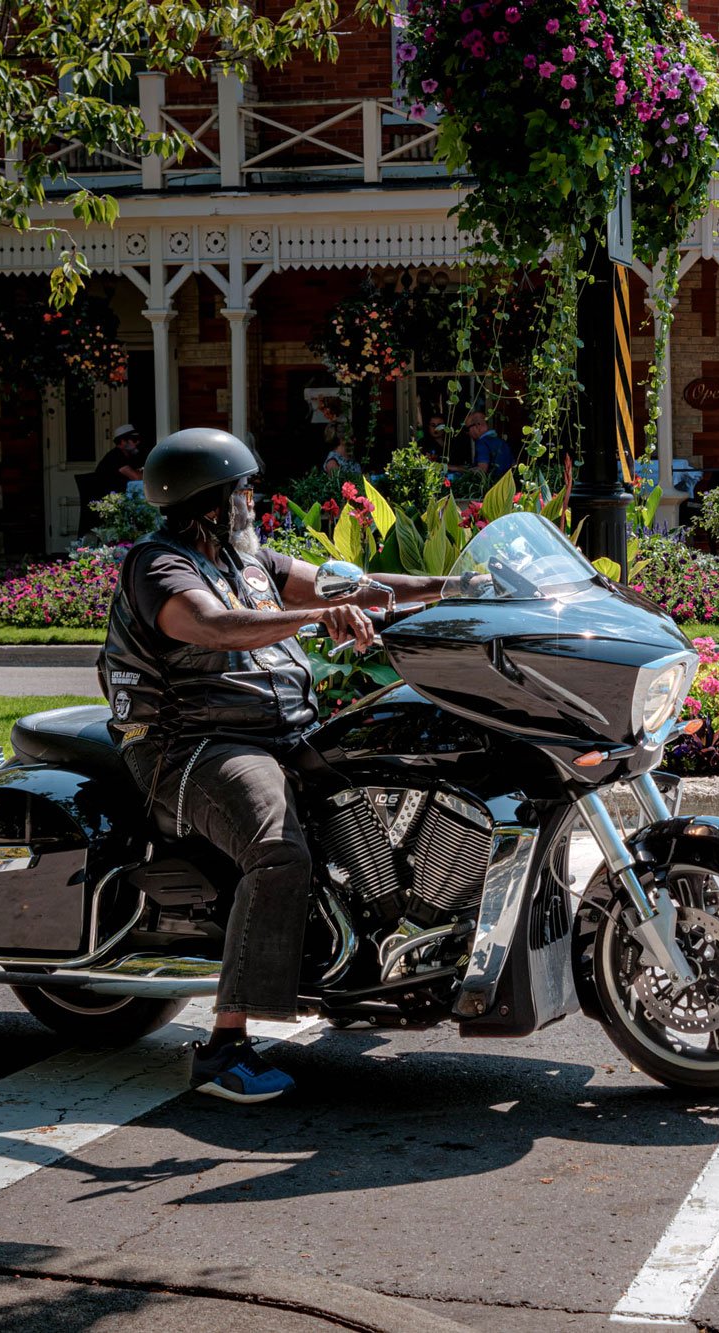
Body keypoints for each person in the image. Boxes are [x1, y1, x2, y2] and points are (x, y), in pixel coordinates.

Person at [99, 427, 469, 1103]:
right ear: (207, 501)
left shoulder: (249, 562)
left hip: (280, 730)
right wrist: (318, 616)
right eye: (241, 491)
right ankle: (225, 1045)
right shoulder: (161, 567)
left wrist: (460, 587)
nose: (252, 501)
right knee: (279, 850)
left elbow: (365, 585)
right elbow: (212, 626)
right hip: (196, 746)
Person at [91, 424, 146, 500]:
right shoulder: (115, 456)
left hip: (120, 496)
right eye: (134, 440)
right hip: (108, 500)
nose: (138, 442)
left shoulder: (129, 456)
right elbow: (136, 477)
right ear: (123, 441)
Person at [466, 411, 513, 478]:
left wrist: (458, 469)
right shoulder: (501, 442)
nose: (468, 433)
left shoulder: (482, 443)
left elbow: (482, 470)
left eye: (467, 429)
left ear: (478, 425)